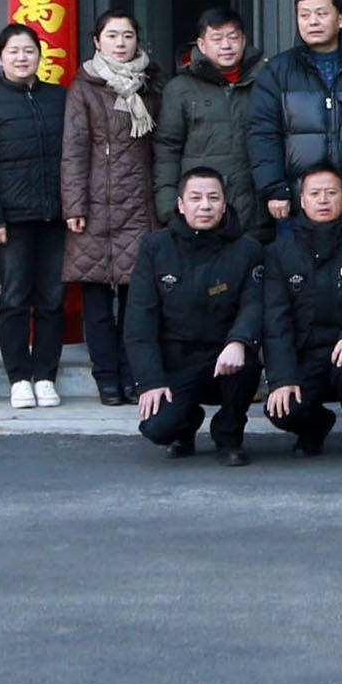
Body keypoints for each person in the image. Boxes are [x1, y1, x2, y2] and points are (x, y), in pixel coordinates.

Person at [0, 23, 72, 411]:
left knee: (52, 298)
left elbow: (74, 156)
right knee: (14, 298)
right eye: (14, 51)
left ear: (40, 55)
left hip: (55, 216)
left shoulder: (59, 97)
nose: (22, 57)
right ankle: (19, 378)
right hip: (10, 220)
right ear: (0, 58)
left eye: (29, 50)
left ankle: (45, 376)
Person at [126, 166, 266, 464]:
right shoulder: (155, 247)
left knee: (248, 364)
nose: (205, 206)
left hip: (223, 357)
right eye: (195, 198)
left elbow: (254, 305)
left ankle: (229, 437)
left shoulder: (248, 249)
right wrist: (150, 381)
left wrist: (239, 341)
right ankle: (185, 425)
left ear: (224, 204)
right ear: (180, 204)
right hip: (175, 360)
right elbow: (140, 320)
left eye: (213, 198)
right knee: (158, 428)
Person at [63, 9, 162, 407]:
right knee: (98, 306)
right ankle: (106, 378)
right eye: (112, 35)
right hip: (94, 207)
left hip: (139, 206)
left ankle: (134, 375)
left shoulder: (151, 85)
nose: (120, 43)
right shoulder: (84, 86)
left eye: (127, 35)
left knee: (136, 303)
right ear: (97, 41)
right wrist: (74, 204)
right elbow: (73, 149)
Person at [261, 163, 342, 464]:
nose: (323, 200)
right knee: (281, 409)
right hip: (307, 353)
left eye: (331, 193)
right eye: (315, 193)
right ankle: (315, 425)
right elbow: (276, 320)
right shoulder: (280, 252)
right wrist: (282, 377)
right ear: (301, 200)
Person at [248, 0, 342, 223]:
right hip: (295, 201)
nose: (312, 21)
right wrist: (274, 187)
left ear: (340, 19)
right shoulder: (277, 70)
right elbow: (263, 132)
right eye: (304, 15)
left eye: (321, 14)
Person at [152, 8, 272, 243]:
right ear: (202, 44)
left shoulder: (265, 81)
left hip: (256, 212)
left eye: (233, 37)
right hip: (201, 213)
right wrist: (168, 207)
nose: (226, 45)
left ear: (244, 40)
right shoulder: (180, 89)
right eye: (217, 39)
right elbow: (167, 150)